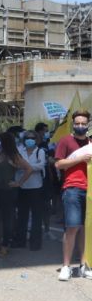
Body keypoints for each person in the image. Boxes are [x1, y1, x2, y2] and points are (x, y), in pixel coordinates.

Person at [54, 110, 92, 281]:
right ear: (72, 123)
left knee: (86, 229)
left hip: (90, 190)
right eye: (77, 123)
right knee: (72, 227)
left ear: (88, 124)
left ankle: (84, 265)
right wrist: (80, 159)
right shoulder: (65, 141)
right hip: (72, 189)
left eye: (84, 123)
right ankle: (66, 266)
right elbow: (59, 164)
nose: (80, 126)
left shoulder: (91, 143)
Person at [0, 132, 33, 257]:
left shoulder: (14, 156)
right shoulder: (0, 153)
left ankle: (5, 246)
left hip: (8, 192)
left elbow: (29, 169)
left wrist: (19, 183)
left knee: (7, 220)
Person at [14, 130, 46, 251]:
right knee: (22, 216)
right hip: (22, 187)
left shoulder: (40, 151)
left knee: (37, 217)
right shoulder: (20, 150)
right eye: (28, 137)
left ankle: (35, 243)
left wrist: (26, 167)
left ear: (36, 139)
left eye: (32, 138)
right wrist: (30, 167)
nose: (30, 140)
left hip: (36, 187)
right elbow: (16, 164)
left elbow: (41, 165)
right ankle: (20, 240)